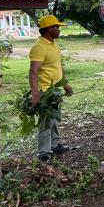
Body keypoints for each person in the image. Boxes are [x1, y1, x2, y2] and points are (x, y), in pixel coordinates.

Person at [29, 15, 73, 163]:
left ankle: (55, 145)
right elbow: (33, 71)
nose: (59, 30)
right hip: (45, 91)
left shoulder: (53, 45)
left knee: (54, 119)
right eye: (56, 27)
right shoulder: (39, 47)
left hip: (55, 89)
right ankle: (43, 152)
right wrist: (35, 94)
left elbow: (58, 66)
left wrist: (65, 84)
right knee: (46, 122)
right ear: (48, 29)